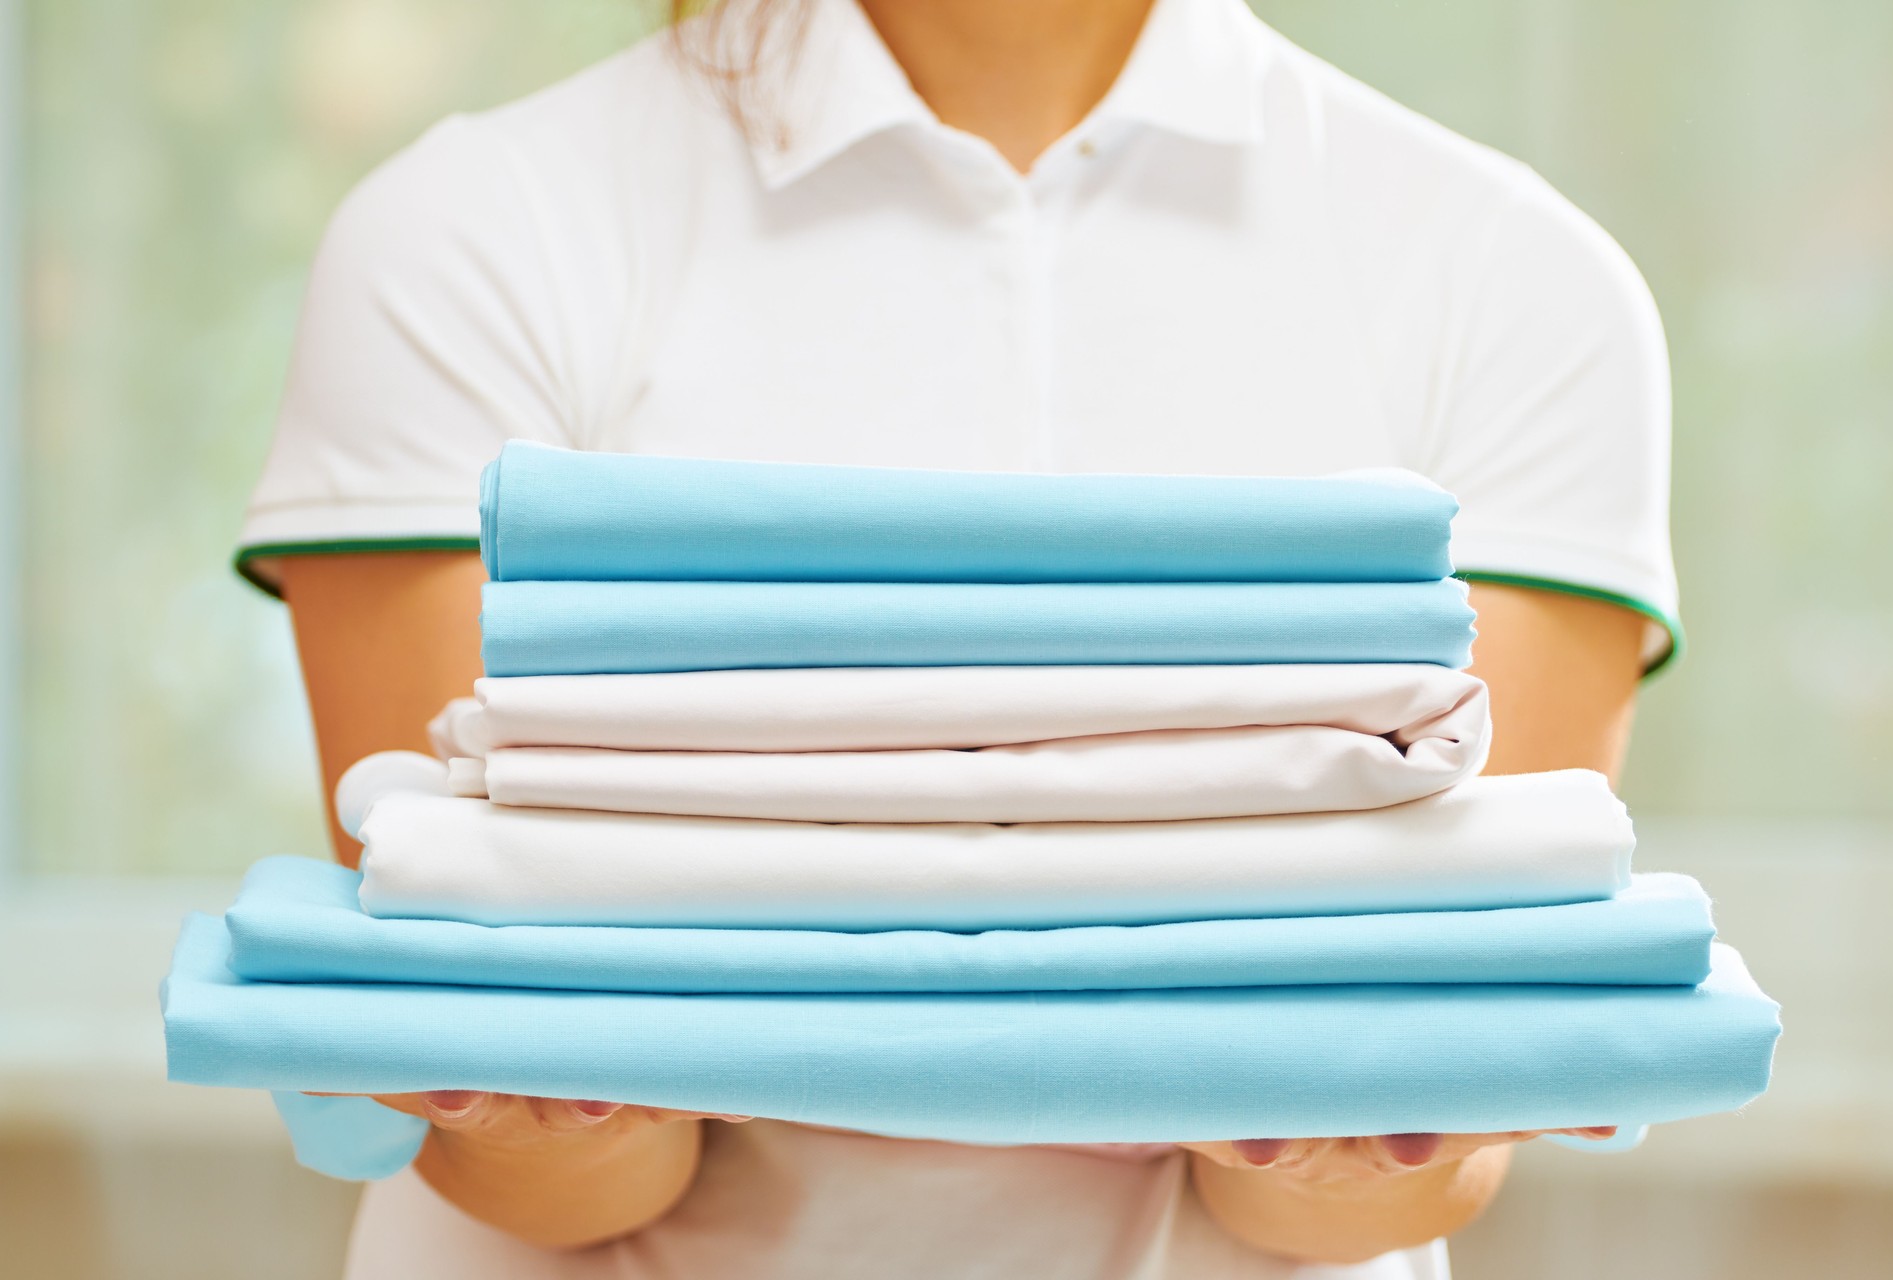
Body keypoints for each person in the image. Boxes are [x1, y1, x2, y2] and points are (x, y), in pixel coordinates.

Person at [238, 0, 1676, 1274]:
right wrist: (537, 1089)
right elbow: (542, 1155)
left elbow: (1400, 1145)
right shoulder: (473, 234)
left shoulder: (1516, 282)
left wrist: (1363, 1120)